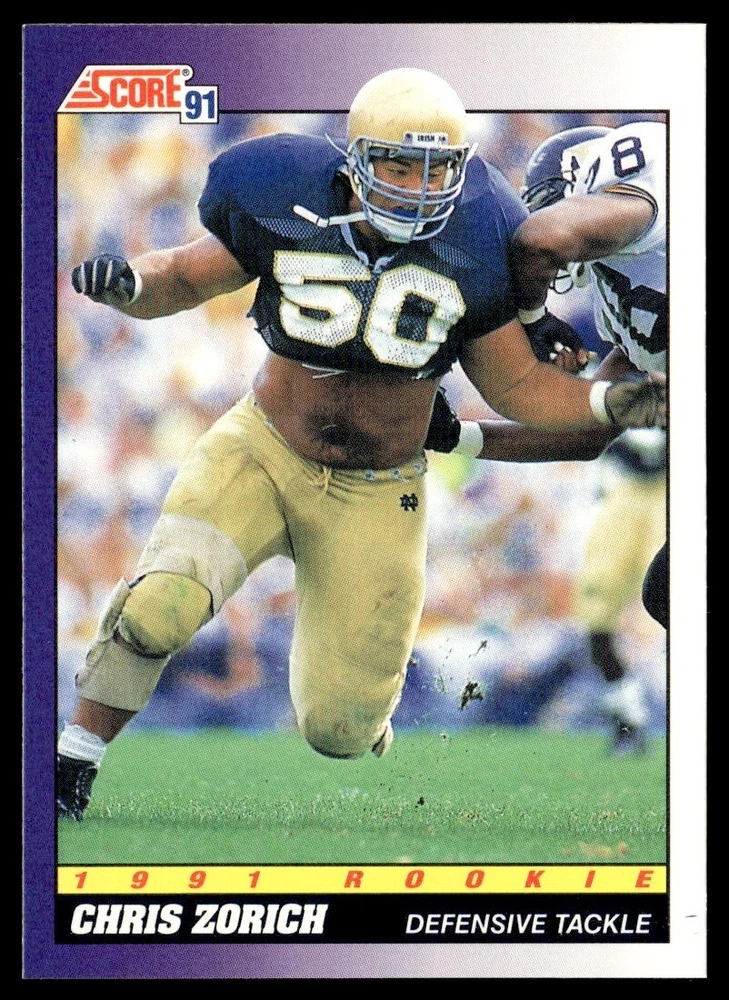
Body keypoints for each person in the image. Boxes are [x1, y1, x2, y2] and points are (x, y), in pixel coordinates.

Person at [57, 69, 665, 820]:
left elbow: (515, 385)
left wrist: (603, 400)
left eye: (438, 168)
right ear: (356, 159)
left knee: (339, 730)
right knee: (161, 605)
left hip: (379, 488)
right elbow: (182, 274)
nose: (420, 187)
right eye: (401, 165)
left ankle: (356, 705)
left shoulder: (483, 236)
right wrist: (131, 286)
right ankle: (73, 759)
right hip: (264, 448)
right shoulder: (285, 197)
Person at [425, 121, 668, 750]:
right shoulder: (621, 287)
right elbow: (588, 431)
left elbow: (542, 238)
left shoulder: (647, 196)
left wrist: (533, 320)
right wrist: (455, 437)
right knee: (664, 592)